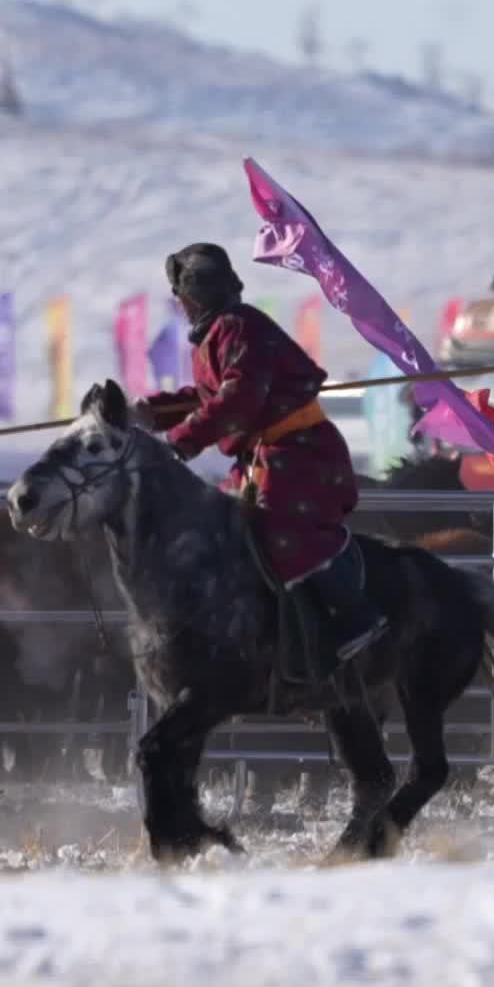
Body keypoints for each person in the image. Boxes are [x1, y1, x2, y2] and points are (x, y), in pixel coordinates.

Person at [132, 242, 373, 695]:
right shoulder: (221, 333)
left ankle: (354, 615)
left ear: (194, 296)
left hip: (298, 453)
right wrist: (148, 412)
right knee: (218, 528)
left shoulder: (242, 328)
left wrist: (179, 442)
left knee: (273, 529)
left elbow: (239, 399)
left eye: (180, 296)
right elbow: (209, 398)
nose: (180, 305)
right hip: (263, 457)